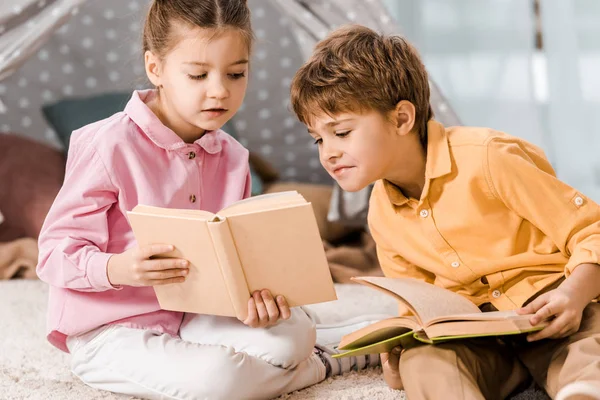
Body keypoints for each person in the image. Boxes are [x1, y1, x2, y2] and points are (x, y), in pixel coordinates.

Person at [36, 3, 382, 398]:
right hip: (110, 331)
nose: (219, 90)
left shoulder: (233, 156)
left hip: (197, 315)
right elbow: (53, 254)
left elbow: (235, 260)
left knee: (293, 337)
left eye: (236, 73)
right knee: (218, 381)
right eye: (198, 74)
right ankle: (322, 363)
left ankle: (314, 346)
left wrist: (254, 296)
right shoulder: (107, 145)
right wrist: (118, 267)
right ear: (156, 68)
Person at [290, 24, 600, 400]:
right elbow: (419, 303)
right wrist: (401, 345)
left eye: (341, 132)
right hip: (480, 333)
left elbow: (590, 231)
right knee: (425, 360)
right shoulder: (381, 214)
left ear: (402, 119)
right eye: (319, 139)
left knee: (588, 353)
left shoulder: (488, 157)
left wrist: (574, 294)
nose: (328, 152)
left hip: (554, 307)